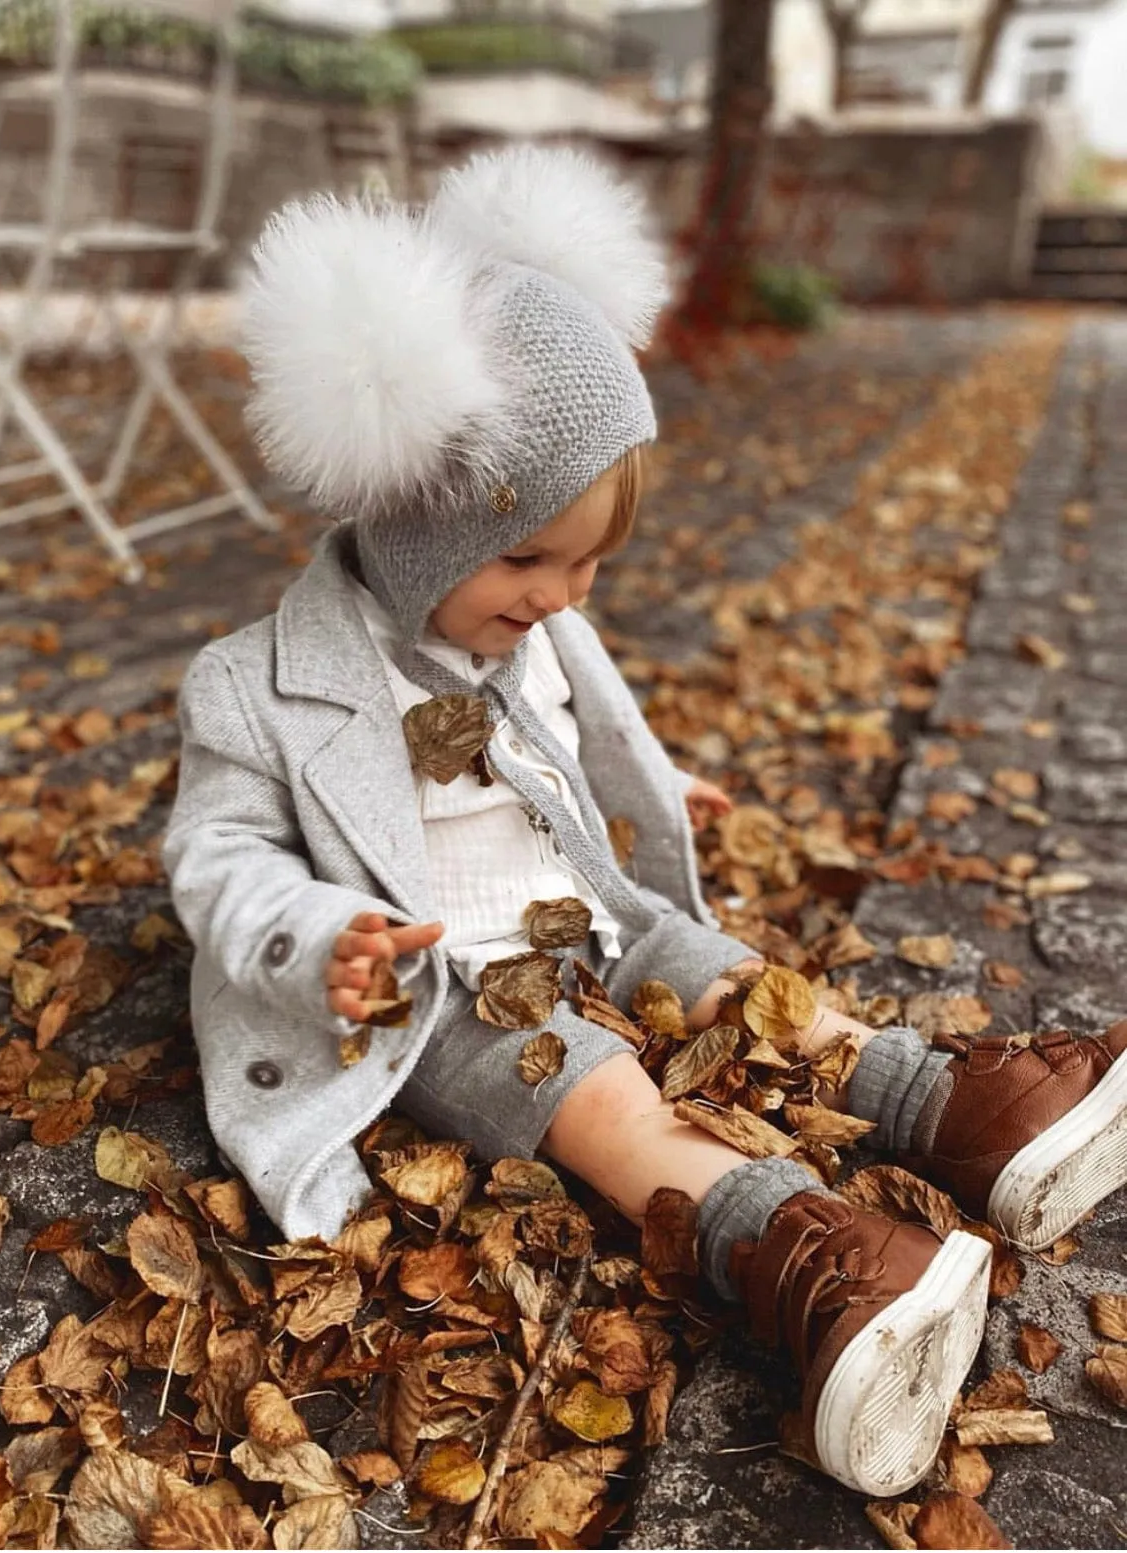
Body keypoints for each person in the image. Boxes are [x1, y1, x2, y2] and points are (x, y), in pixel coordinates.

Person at [162, 146, 1127, 1498]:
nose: (565, 595)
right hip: (437, 976)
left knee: (711, 966)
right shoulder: (255, 686)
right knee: (582, 1082)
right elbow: (215, 860)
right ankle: (797, 1248)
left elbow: (574, 738)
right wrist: (320, 930)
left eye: (591, 563)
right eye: (528, 560)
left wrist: (654, 791)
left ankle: (947, 1105)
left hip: (578, 909)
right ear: (416, 529)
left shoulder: (535, 625)